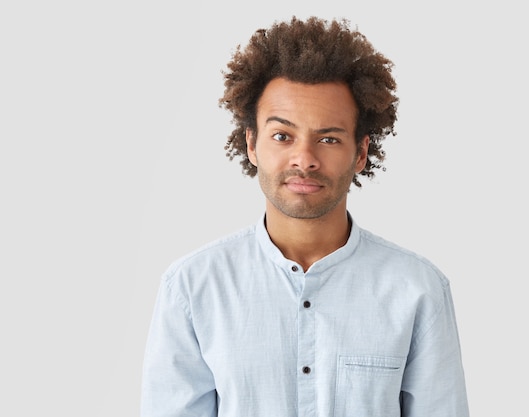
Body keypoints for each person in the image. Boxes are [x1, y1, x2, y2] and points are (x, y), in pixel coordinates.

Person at [141, 16, 470, 417]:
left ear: (361, 152)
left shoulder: (418, 291)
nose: (305, 159)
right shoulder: (192, 289)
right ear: (252, 144)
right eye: (283, 136)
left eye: (328, 138)